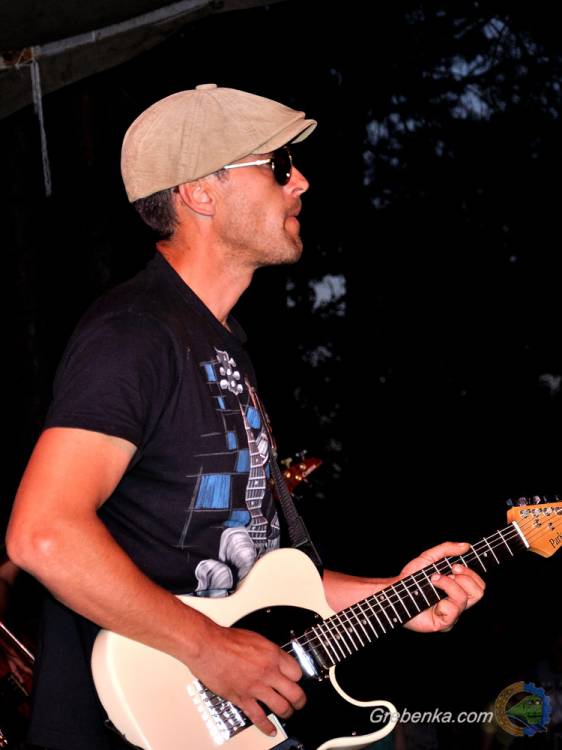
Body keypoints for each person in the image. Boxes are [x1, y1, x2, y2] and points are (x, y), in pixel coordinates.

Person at [6, 84, 485, 750]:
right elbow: (44, 534)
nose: (301, 182)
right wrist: (208, 648)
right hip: (129, 725)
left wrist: (394, 594)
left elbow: (259, 580)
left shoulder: (224, 346)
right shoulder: (135, 333)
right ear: (200, 193)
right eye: (278, 165)